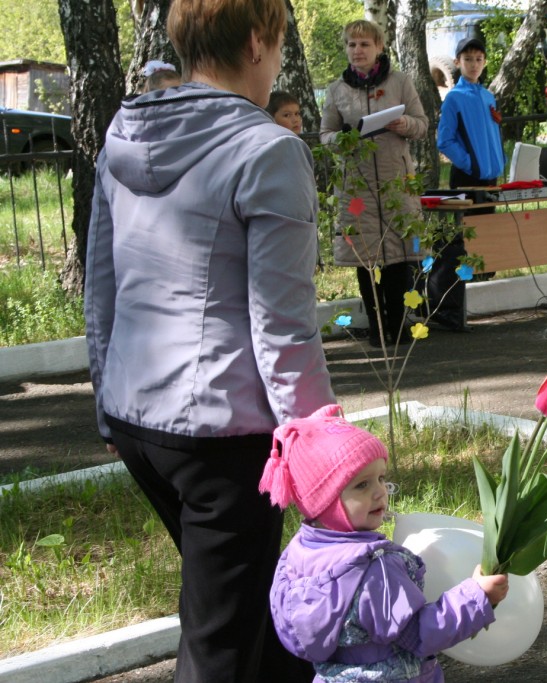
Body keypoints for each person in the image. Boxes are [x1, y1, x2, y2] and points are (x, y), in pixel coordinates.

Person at [84, 0, 336, 680]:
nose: (276, 61)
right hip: (223, 438)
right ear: (256, 43)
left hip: (139, 418)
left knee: (263, 613)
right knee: (220, 644)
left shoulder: (125, 133)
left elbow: (102, 283)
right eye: (278, 45)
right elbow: (283, 324)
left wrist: (105, 402)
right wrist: (325, 449)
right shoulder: (269, 149)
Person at [260, 404, 509, 682]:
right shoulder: (376, 569)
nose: (380, 492)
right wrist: (477, 597)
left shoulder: (295, 555)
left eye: (381, 478)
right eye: (362, 485)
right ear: (324, 501)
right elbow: (421, 634)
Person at [320, 20, 428, 348]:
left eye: (364, 44)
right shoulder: (337, 90)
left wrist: (405, 123)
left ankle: (398, 325)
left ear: (379, 47)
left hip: (396, 184)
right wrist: (344, 139)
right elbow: (325, 135)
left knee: (398, 257)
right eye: (351, 45)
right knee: (367, 260)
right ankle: (377, 328)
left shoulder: (400, 82)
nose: (357, 50)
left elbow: (422, 124)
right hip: (357, 187)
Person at [432, 36, 505, 332]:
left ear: (484, 63)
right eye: (468, 59)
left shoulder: (488, 96)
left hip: (490, 179)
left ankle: (465, 306)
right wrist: (471, 164)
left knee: (481, 242)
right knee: (459, 245)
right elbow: (445, 140)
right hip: (466, 178)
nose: (473, 64)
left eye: (478, 59)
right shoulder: (454, 98)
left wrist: (495, 164)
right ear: (457, 62)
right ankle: (449, 310)